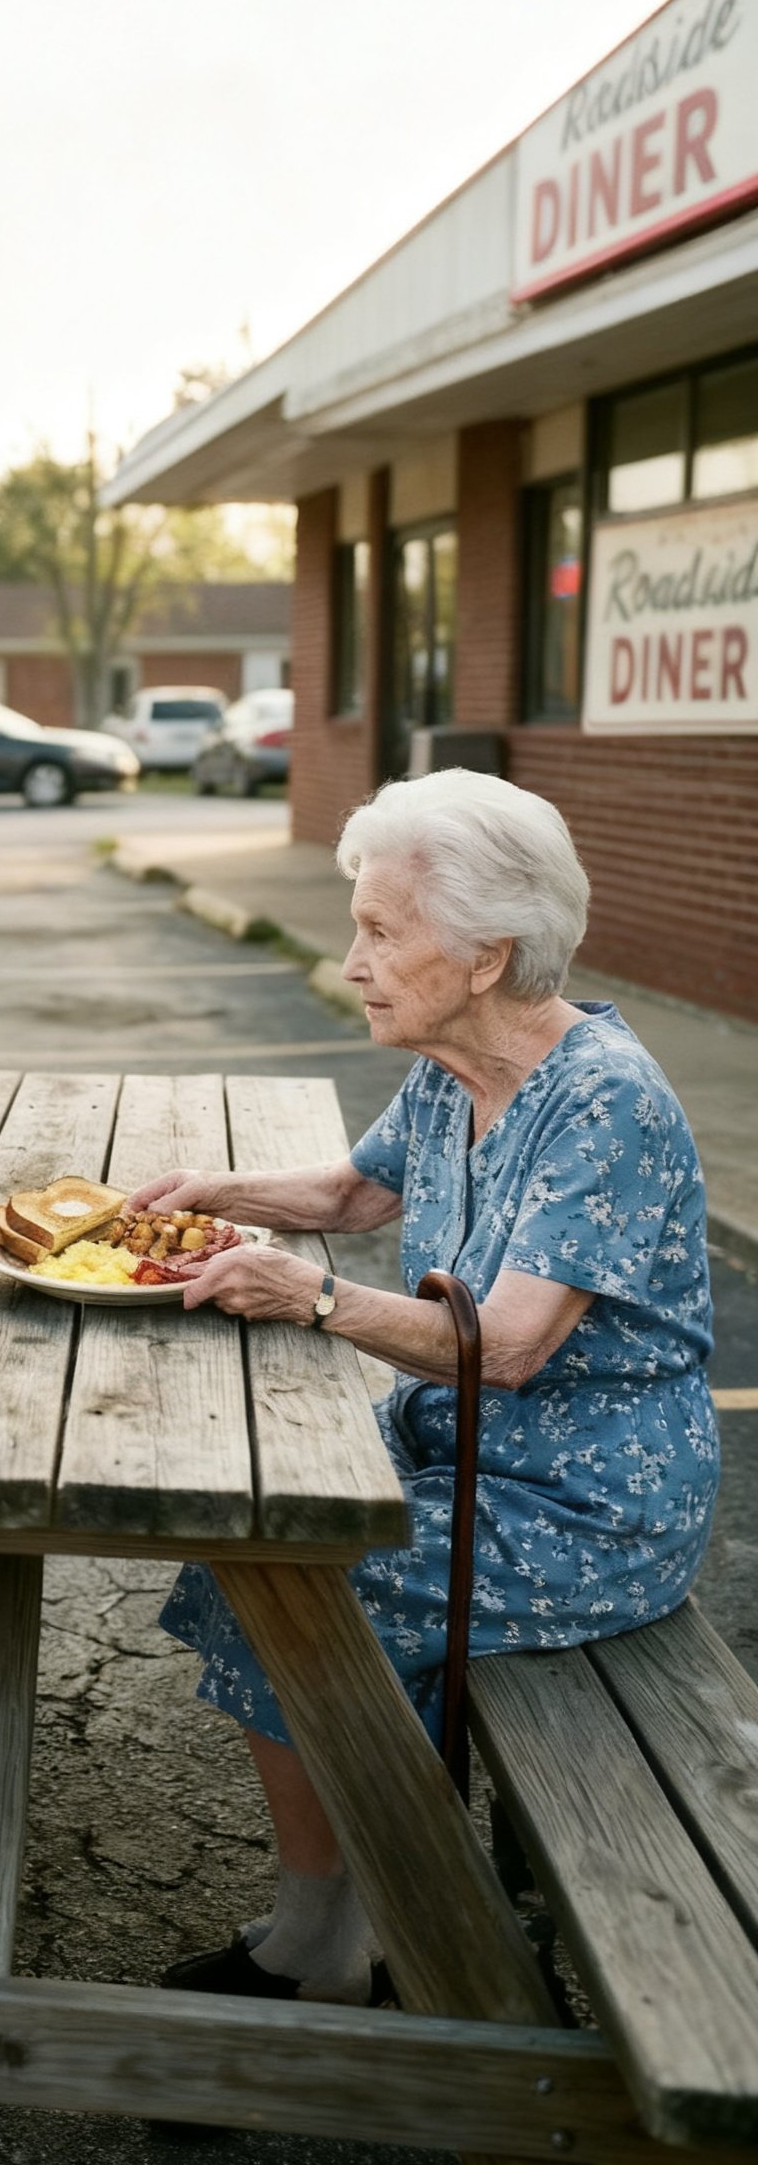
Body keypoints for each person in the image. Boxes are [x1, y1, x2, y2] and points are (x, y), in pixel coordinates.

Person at [132, 770, 718, 2010]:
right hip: (463, 1458)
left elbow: (507, 1349)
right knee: (245, 1553)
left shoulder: (601, 1100)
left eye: (382, 931)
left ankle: (369, 1938)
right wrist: (213, 1193)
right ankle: (334, 1919)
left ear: (489, 953)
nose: (353, 960)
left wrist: (315, 1299)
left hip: (582, 1509)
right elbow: (355, 1195)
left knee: (293, 1576)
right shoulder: (461, 1067)